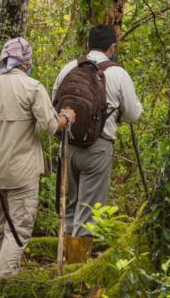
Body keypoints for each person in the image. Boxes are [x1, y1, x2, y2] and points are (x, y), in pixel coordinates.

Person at [0, 37, 75, 279]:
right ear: (26, 63)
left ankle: (5, 281)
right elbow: (50, 126)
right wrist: (67, 117)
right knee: (17, 231)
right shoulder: (32, 87)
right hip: (23, 173)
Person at [52, 25, 143, 262]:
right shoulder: (118, 73)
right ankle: (76, 270)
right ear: (112, 47)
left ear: (87, 45)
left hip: (68, 145)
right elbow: (133, 115)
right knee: (90, 209)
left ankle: (63, 259)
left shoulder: (69, 68)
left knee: (71, 203)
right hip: (98, 147)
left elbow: (54, 103)